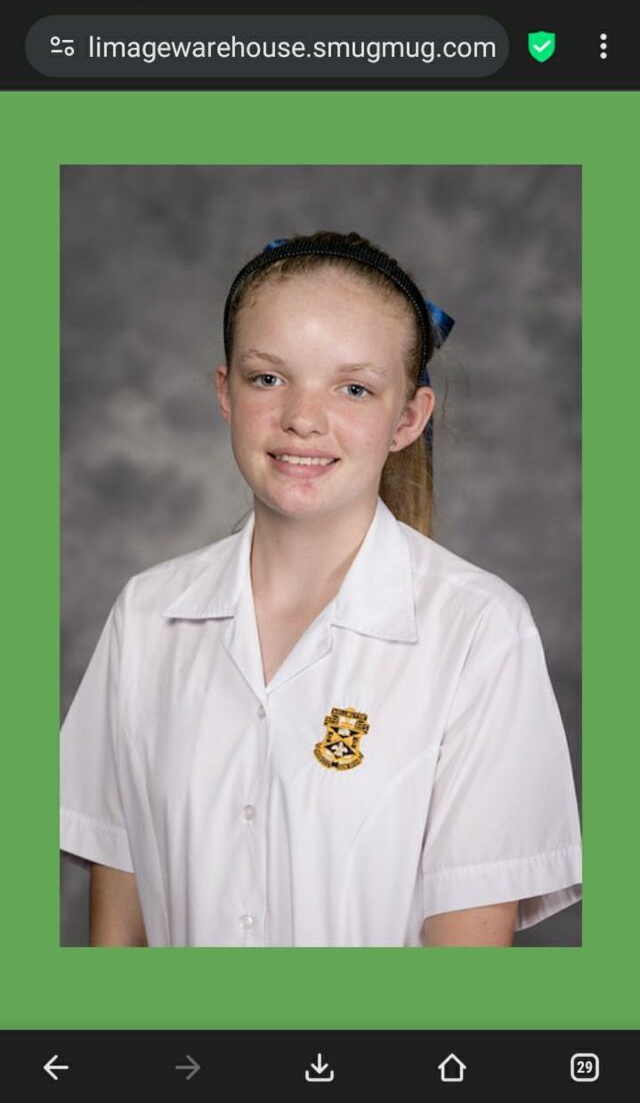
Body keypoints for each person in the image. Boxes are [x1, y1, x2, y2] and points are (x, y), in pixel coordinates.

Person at [60, 230, 582, 947]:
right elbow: (116, 936)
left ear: (407, 418)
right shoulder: (148, 616)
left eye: (354, 388)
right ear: (225, 392)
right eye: (268, 378)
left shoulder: (479, 631)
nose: (303, 419)